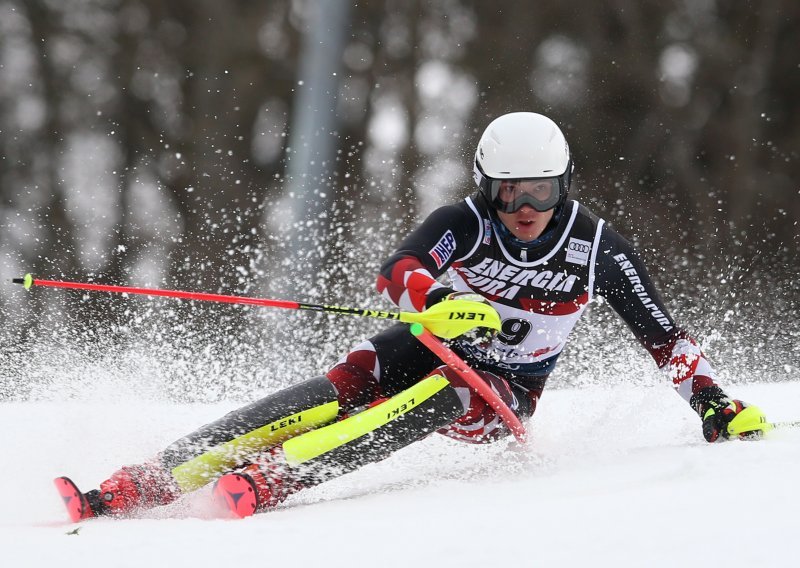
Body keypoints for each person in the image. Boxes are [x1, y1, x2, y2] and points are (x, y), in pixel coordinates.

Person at [55, 112, 769, 522]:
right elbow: (399, 269)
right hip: (432, 344)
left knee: (450, 392)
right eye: (510, 193)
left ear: (565, 186)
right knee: (333, 387)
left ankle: (275, 479)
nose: (526, 209)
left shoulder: (596, 247)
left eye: (542, 192)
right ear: (486, 187)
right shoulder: (462, 220)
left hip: (501, 394)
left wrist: (712, 405)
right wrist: (434, 300)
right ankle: (136, 484)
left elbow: (663, 335)